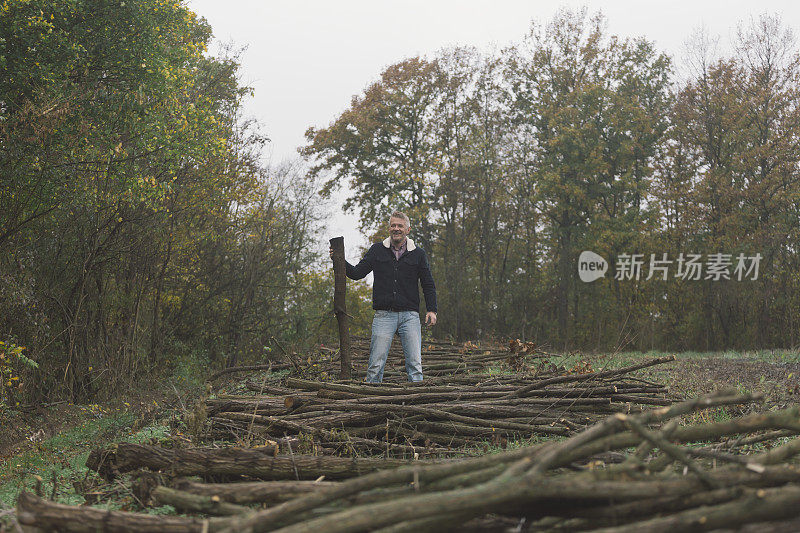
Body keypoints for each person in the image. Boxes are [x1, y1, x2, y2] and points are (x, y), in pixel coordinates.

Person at [330, 211, 437, 382]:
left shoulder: (418, 254)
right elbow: (357, 273)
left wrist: (432, 310)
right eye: (393, 225)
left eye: (400, 226)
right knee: (375, 364)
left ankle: (417, 400)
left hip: (410, 316)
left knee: (415, 365)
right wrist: (339, 259)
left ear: (407, 229)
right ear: (389, 228)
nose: (396, 228)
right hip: (383, 315)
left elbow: (428, 284)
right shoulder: (377, 250)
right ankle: (371, 401)